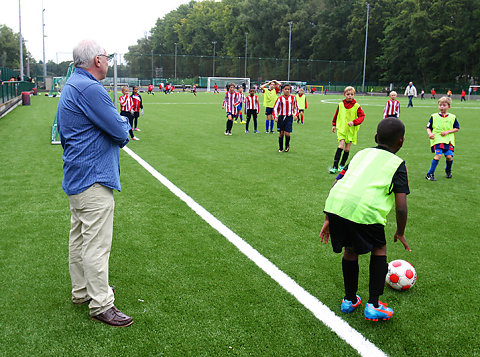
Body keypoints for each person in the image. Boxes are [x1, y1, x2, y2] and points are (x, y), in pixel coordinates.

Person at [56, 39, 133, 327]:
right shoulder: (90, 88)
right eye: (106, 57)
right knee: (96, 244)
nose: (108, 61)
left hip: (77, 175)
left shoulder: (73, 84)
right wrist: (124, 122)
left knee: (78, 239)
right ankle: (101, 303)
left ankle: (82, 292)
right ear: (97, 61)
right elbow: (119, 131)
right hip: (93, 177)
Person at [319, 117, 411, 322]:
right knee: (379, 248)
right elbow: (401, 206)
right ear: (401, 141)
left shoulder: (361, 154)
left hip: (337, 205)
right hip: (364, 211)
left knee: (350, 250)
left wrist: (328, 216)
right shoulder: (397, 164)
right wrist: (401, 232)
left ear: (376, 137)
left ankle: (350, 300)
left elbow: (338, 181)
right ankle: (374, 305)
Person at [329, 86, 365, 174]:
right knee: (341, 145)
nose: (350, 96)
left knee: (347, 148)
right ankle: (334, 166)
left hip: (350, 130)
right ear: (344, 94)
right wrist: (334, 124)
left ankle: (342, 165)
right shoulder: (340, 104)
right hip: (341, 129)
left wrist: (354, 122)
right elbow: (336, 115)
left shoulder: (357, 106)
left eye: (352, 94)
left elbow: (362, 116)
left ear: (354, 95)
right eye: (348, 94)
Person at [425, 96, 460, 181]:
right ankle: (429, 174)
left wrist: (447, 132)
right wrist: (430, 133)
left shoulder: (452, 117)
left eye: (444, 105)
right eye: (440, 105)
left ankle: (448, 171)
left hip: (448, 140)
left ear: (449, 107)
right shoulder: (434, 116)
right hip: (437, 140)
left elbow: (457, 128)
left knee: (449, 157)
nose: (442, 107)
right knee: (438, 155)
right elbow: (428, 127)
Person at [273, 83, 299, 152]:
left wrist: (296, 114)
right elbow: (275, 108)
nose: (287, 90)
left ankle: (287, 145)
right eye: (285, 89)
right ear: (282, 90)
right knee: (281, 133)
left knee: (287, 133)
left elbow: (296, 107)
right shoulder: (280, 98)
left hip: (289, 117)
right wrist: (275, 116)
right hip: (281, 117)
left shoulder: (293, 98)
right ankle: (280, 147)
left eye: (288, 89)